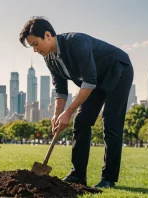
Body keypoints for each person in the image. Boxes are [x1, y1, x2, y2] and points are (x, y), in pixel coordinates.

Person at [19, 16, 134, 188]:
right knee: (81, 122)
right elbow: (61, 90)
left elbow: (89, 81)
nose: (35, 50)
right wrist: (57, 115)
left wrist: (69, 111)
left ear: (48, 35)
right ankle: (77, 175)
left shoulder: (76, 43)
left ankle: (108, 179)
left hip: (117, 69)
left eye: (35, 44)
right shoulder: (49, 58)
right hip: (94, 80)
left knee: (111, 122)